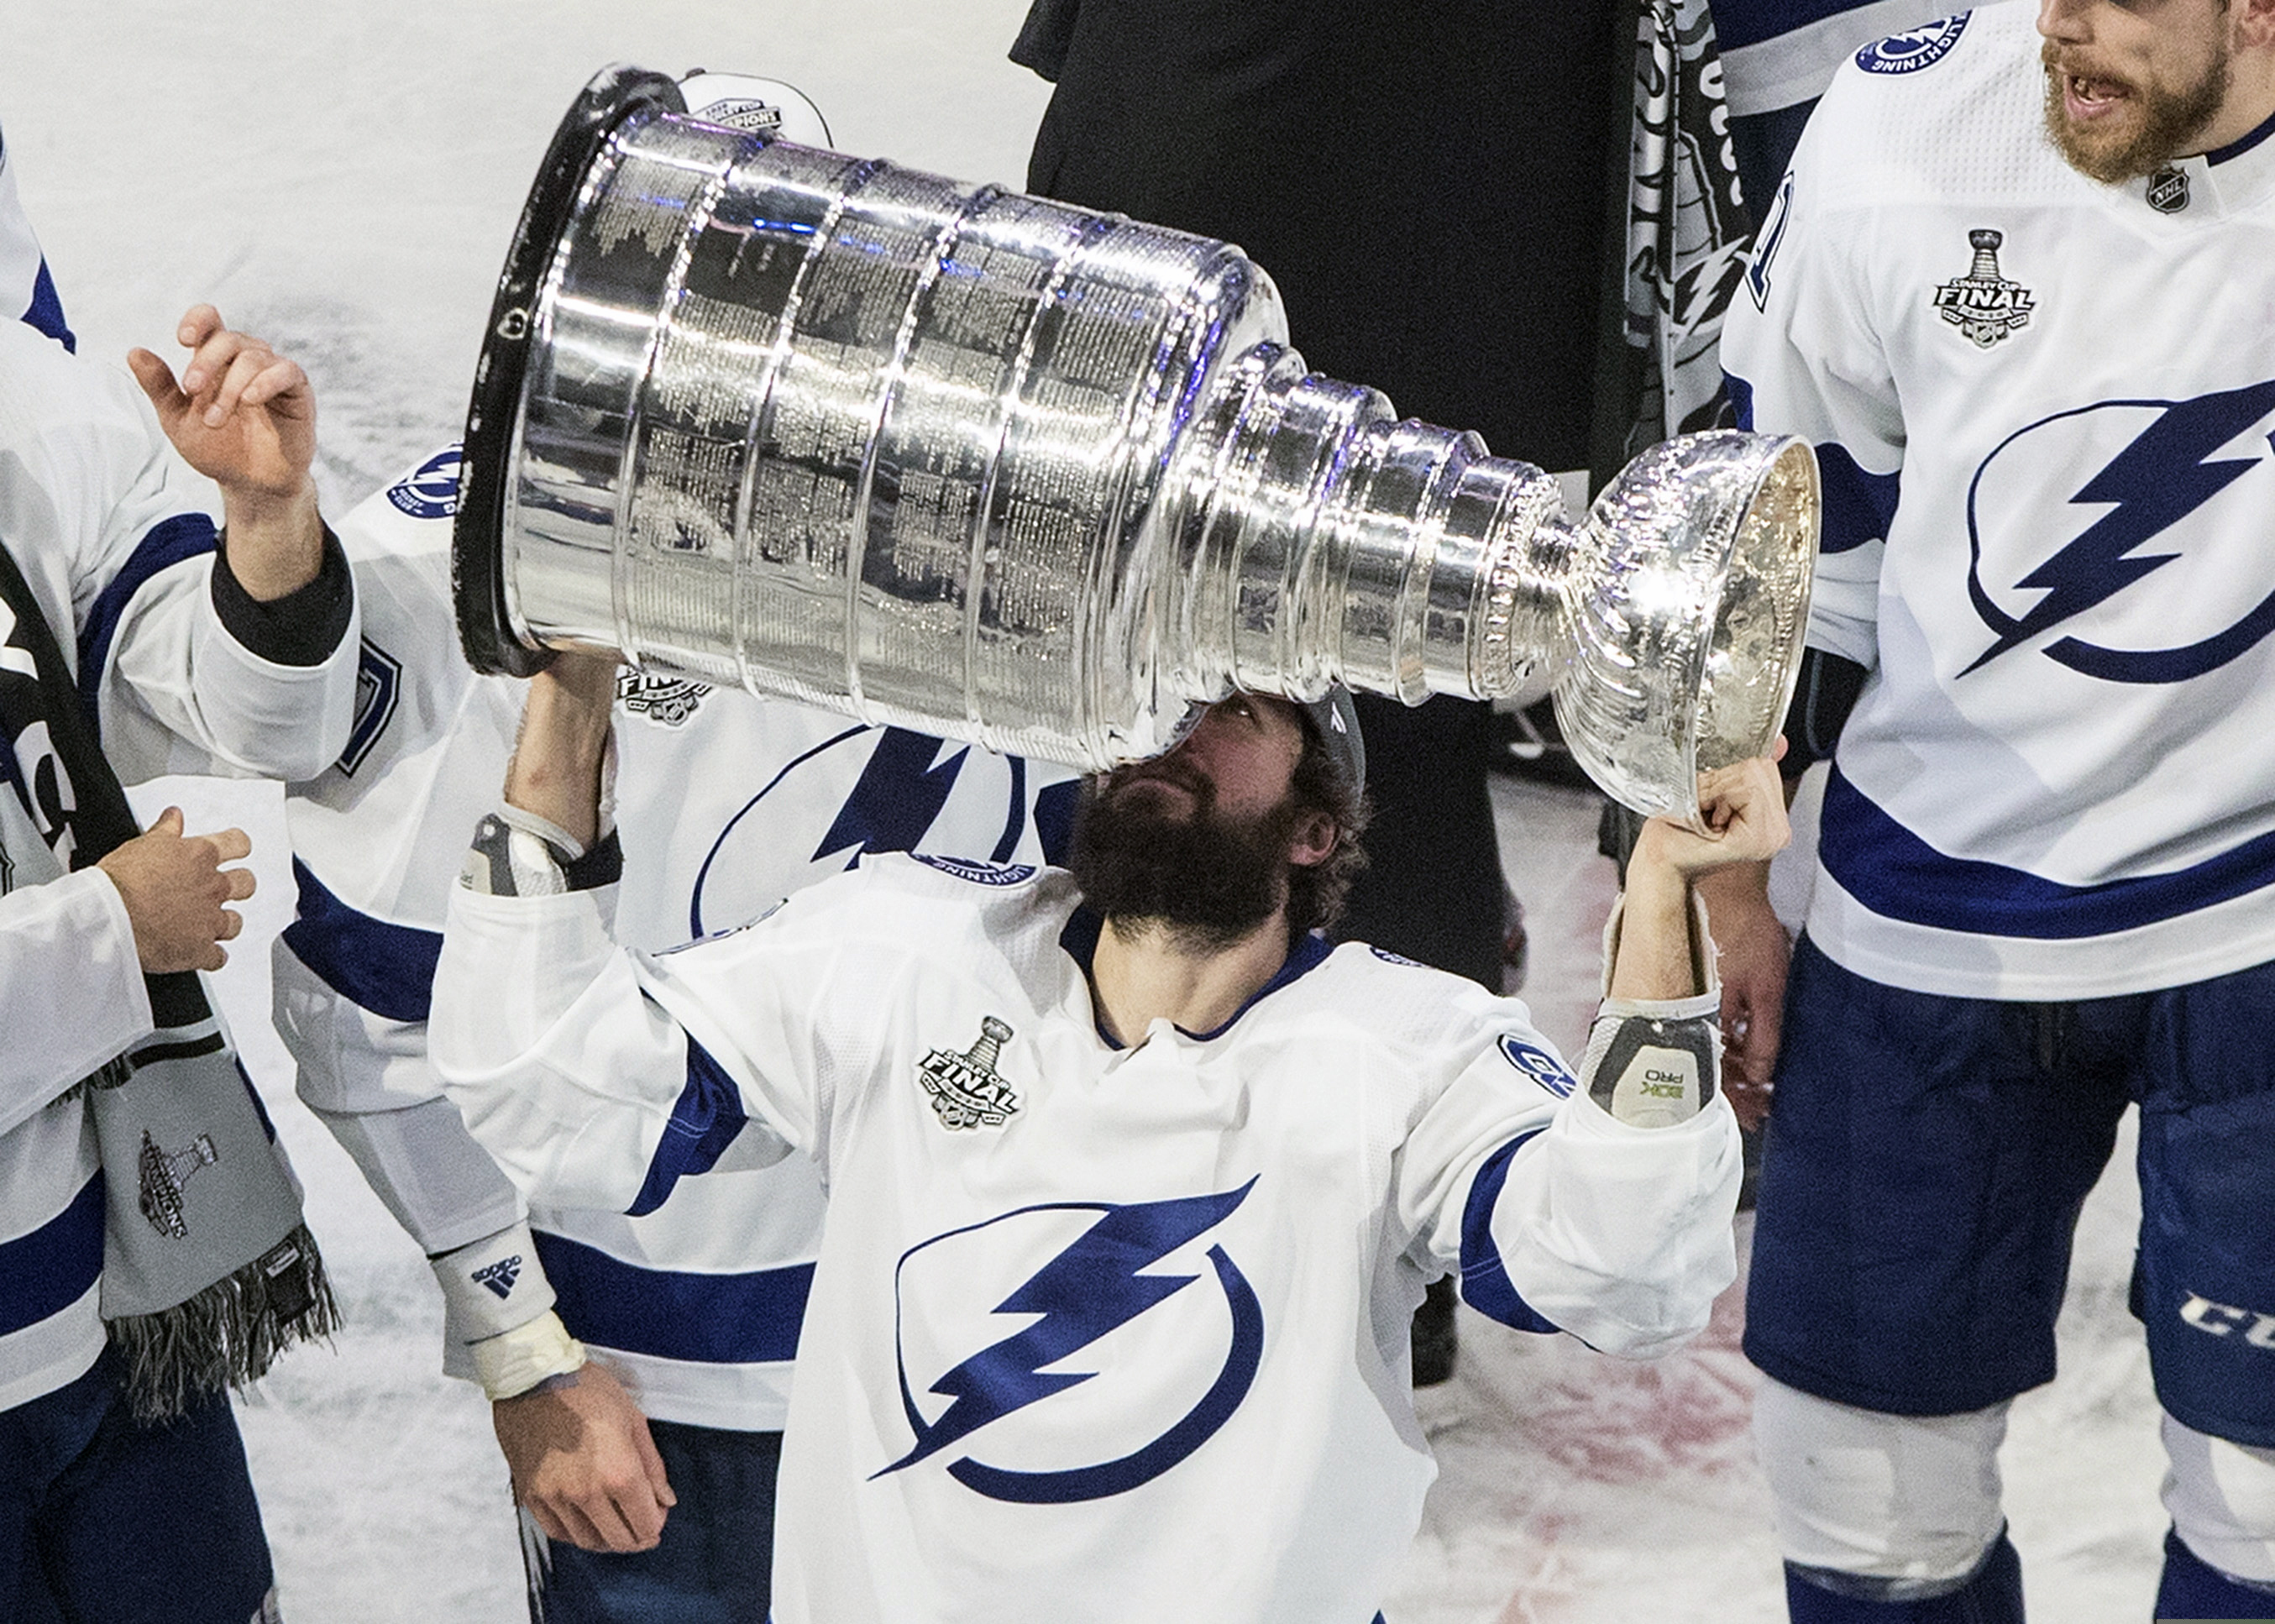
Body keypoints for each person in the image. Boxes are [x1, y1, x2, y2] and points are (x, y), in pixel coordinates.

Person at [431, 643, 1783, 1623]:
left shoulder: (1408, 1053)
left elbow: (1623, 1265)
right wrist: (569, 695)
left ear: (1319, 824)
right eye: (1151, 690)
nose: (1169, 725)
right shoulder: (911, 951)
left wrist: (1665, 891)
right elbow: (553, 1082)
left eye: (1231, 705)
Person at [270, 65, 1078, 1624]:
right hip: (659, 1388)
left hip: (996, 1344)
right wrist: (521, 1350)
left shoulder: (1019, 557)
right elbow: (369, 1012)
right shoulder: (457, 572)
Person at [1713, 1, 2275, 1617]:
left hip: (2253, 932)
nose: (2068, 34)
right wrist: (1722, 887)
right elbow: (1785, 560)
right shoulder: (1901, 131)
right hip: (1928, 917)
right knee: (1861, 1506)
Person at [1, 303, 358, 1621]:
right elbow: (129, 903)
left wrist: (266, 533)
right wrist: (111, 932)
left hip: (112, 1315)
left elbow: (265, 725)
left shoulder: (26, 411)